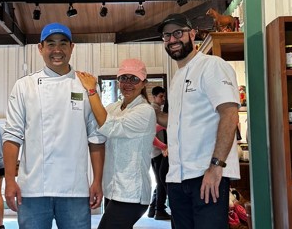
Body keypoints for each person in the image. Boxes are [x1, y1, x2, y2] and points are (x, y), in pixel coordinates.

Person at [2, 23, 106, 229]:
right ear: (40, 48)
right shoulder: (25, 86)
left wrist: (97, 181)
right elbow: (12, 137)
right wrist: (9, 181)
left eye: (63, 44)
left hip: (74, 190)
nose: (57, 50)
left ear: (72, 47)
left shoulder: (87, 86)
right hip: (32, 190)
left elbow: (96, 138)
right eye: (51, 44)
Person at [155, 13, 240, 229]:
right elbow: (177, 122)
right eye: (167, 36)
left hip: (206, 176)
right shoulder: (176, 78)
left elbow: (229, 114)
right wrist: (148, 111)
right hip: (177, 179)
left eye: (178, 33)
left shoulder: (212, 65)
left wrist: (216, 166)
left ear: (192, 34)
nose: (172, 40)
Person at [76, 59, 155, 229]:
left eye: (134, 79)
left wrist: (91, 90)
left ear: (144, 84)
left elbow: (108, 126)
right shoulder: (114, 107)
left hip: (132, 194)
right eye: (124, 78)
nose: (128, 83)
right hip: (113, 189)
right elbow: (96, 129)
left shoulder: (144, 111)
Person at [148, 86, 172, 221]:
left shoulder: (157, 110)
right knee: (162, 181)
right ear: (154, 96)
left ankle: (153, 208)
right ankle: (159, 210)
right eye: (160, 96)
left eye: (164, 96)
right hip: (158, 152)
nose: (162, 99)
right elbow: (152, 133)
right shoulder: (154, 111)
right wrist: (164, 147)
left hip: (157, 151)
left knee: (159, 181)